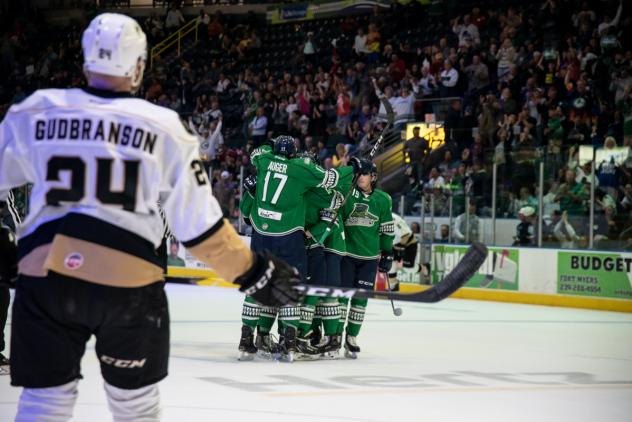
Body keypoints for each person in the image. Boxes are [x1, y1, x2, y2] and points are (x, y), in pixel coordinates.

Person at [0, 14, 301, 421]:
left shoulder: (36, 111)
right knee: (135, 407)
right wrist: (254, 273)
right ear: (139, 66)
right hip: (128, 283)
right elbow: (201, 231)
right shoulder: (164, 128)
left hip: (47, 278)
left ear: (86, 59)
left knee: (44, 402)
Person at [238, 136, 360, 361]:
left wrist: (268, 153)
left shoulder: (263, 160)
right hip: (287, 237)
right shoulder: (301, 168)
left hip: (260, 235)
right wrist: (351, 170)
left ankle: (247, 341)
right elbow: (331, 182)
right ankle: (289, 343)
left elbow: (257, 153)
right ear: (294, 153)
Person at [340, 160, 394, 358]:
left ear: (373, 177)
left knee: (360, 300)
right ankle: (335, 335)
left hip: (369, 259)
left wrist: (387, 252)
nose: (360, 177)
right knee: (341, 298)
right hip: (346, 255)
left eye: (364, 173)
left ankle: (351, 337)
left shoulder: (383, 199)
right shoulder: (347, 193)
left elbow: (386, 229)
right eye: (358, 173)